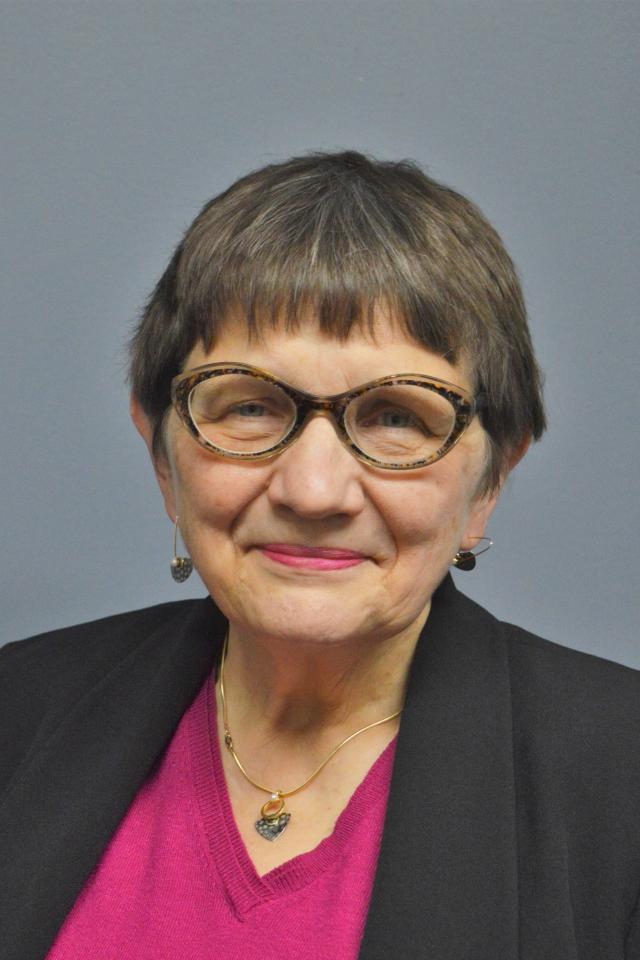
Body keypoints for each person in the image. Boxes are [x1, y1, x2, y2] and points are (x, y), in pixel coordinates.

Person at [1, 150, 639, 960]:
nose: (313, 490)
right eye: (250, 405)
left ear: (488, 481)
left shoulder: (624, 779)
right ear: (163, 458)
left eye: (397, 419)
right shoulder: (15, 712)